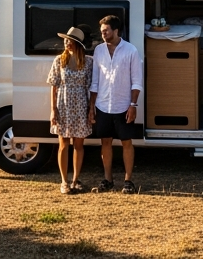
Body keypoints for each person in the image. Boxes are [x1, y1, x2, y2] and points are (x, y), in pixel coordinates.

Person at [87, 14, 143, 194]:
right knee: (105, 142)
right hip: (103, 105)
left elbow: (136, 81)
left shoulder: (131, 51)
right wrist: (92, 107)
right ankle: (108, 179)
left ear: (116, 30)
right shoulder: (99, 51)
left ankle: (128, 181)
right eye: (102, 31)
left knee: (126, 142)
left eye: (106, 30)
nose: (103, 33)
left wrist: (133, 105)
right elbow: (95, 81)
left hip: (123, 105)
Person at [47, 26, 93, 194]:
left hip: (81, 104)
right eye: (65, 40)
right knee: (63, 144)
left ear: (78, 44)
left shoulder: (88, 61)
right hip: (63, 104)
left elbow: (91, 86)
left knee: (79, 145)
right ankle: (64, 181)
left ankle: (76, 180)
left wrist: (91, 109)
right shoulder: (59, 60)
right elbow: (53, 86)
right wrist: (53, 110)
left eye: (70, 41)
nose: (67, 43)